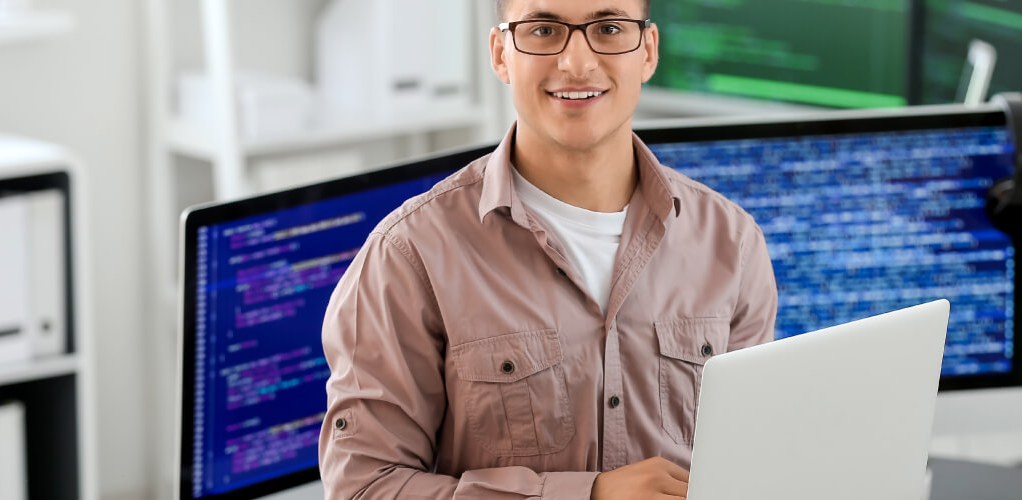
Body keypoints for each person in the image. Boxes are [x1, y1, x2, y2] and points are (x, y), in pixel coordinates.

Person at [316, 0, 779, 498]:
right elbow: (363, 487)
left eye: (608, 27)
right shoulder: (408, 256)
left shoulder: (732, 243)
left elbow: (753, 458)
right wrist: (588, 495)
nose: (577, 63)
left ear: (647, 50)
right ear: (500, 54)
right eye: (542, 29)